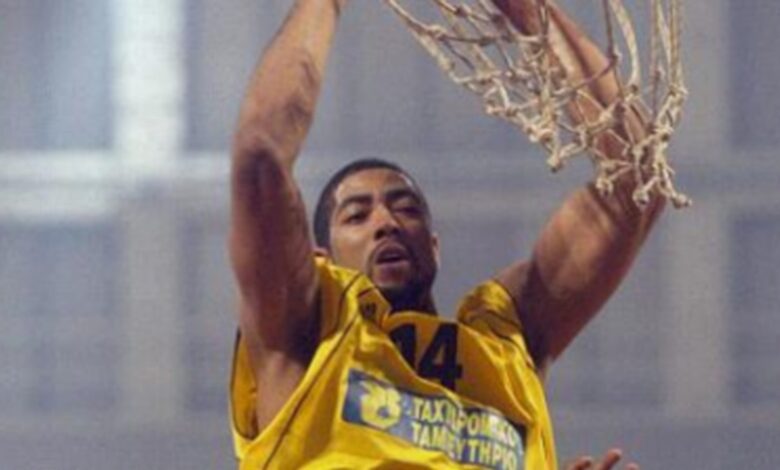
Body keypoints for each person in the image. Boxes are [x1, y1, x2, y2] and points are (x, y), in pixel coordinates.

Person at [227, 0, 660, 468]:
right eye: (356, 216)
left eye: (406, 208)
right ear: (321, 260)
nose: (386, 222)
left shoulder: (503, 342)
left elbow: (637, 181)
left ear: (434, 247)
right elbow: (260, 156)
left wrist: (534, 19)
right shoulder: (307, 331)